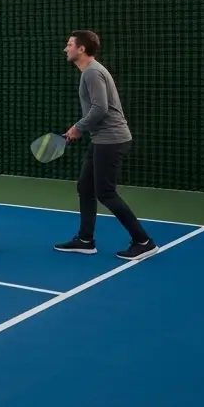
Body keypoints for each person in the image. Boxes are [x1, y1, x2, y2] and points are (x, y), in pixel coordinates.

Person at [54, 30, 157, 261]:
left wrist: (78, 127)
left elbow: (100, 108)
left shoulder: (91, 72)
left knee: (105, 192)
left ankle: (143, 241)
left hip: (111, 140)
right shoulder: (91, 72)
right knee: (85, 186)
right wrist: (80, 127)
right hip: (103, 139)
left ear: (81, 49)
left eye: (69, 44)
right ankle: (85, 240)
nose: (66, 48)